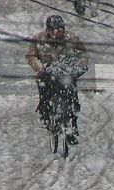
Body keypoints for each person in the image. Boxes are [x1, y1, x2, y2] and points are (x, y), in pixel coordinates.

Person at [26, 15, 89, 145]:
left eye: (60, 29)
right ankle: (46, 115)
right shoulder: (39, 39)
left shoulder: (71, 38)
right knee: (45, 95)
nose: (57, 32)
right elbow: (31, 56)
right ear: (48, 30)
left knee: (72, 98)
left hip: (67, 74)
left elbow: (83, 53)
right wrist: (40, 67)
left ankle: (72, 124)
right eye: (54, 30)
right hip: (47, 75)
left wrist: (80, 65)